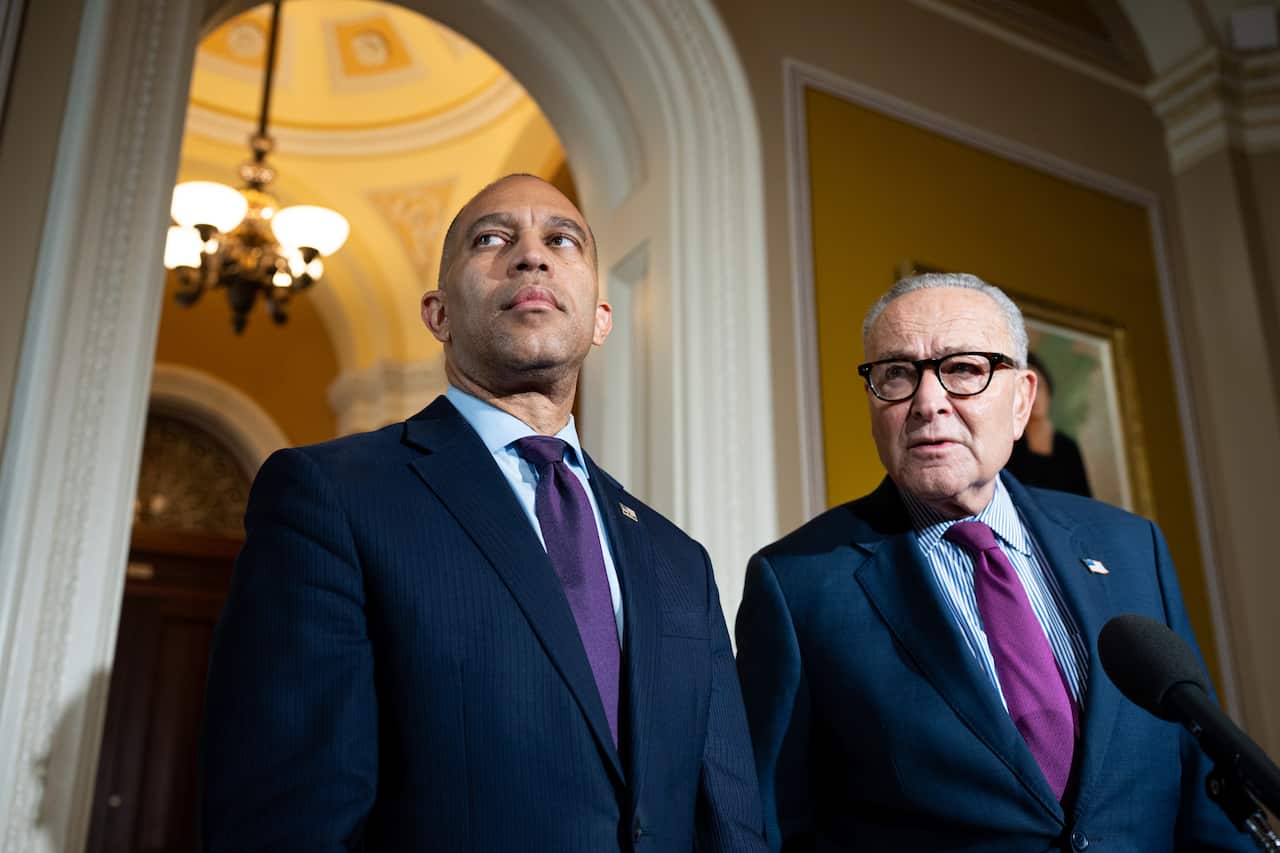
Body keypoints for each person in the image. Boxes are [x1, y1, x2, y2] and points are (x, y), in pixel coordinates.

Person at [200, 174, 767, 851]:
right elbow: (285, 820)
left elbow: (733, 820)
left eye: (562, 240)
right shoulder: (329, 497)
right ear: (438, 313)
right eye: (493, 238)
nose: (532, 255)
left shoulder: (681, 559)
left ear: (600, 318)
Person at [735, 272, 1250, 851]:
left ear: (1023, 399)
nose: (928, 403)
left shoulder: (1132, 548)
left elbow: (1206, 787)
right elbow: (770, 825)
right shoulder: (798, 583)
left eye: (963, 369)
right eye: (897, 374)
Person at [1005, 351, 1092, 497]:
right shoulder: (1010, 445)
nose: (1033, 396)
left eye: (1038, 387)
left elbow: (1084, 499)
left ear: (1048, 389)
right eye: (1024, 389)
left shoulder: (1067, 447)